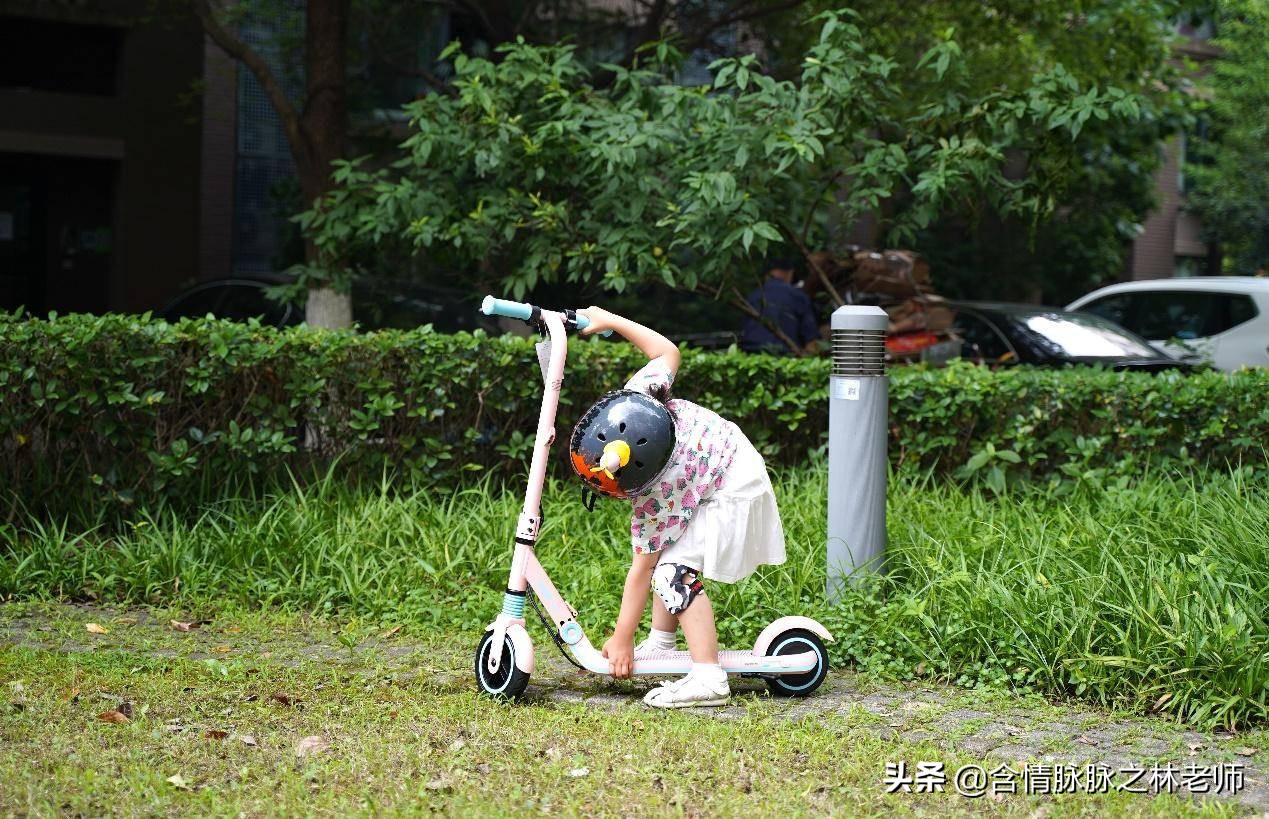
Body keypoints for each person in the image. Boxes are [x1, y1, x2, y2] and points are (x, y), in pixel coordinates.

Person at [570, 306, 787, 708]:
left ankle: (709, 678)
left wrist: (622, 638)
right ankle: (662, 642)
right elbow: (667, 351)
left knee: (671, 572)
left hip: (734, 489)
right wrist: (610, 319)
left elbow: (642, 570)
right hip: (729, 464)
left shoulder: (661, 493)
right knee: (669, 556)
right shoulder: (642, 401)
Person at [740, 257, 820, 354]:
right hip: (786, 356)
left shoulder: (752, 296)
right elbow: (811, 340)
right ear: (790, 273)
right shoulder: (798, 296)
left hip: (751, 355)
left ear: (767, 275)